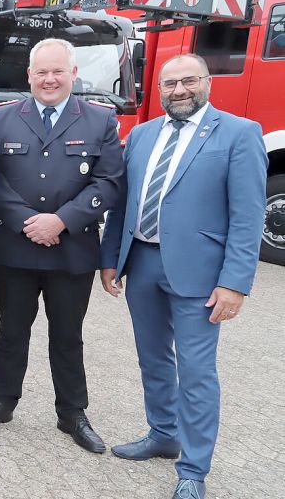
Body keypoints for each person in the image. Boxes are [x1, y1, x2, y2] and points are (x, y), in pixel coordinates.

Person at [101, 54, 266, 499]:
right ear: (159, 90)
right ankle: (163, 434)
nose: (179, 90)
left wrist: (235, 283)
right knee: (152, 358)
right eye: (169, 84)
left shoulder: (239, 133)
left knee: (196, 371)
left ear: (207, 82)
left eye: (189, 81)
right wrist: (111, 258)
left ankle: (193, 470)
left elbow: (248, 216)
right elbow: (123, 202)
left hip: (201, 275)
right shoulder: (142, 134)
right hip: (143, 264)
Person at [0, 38, 123, 455]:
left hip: (71, 249)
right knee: (11, 330)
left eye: (58, 71)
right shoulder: (2, 118)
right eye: (41, 72)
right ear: (29, 75)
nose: (49, 79)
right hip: (16, 247)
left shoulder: (99, 120)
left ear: (73, 74)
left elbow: (109, 182)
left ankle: (72, 412)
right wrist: (28, 221)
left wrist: (62, 220)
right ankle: (2, 402)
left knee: (68, 335)